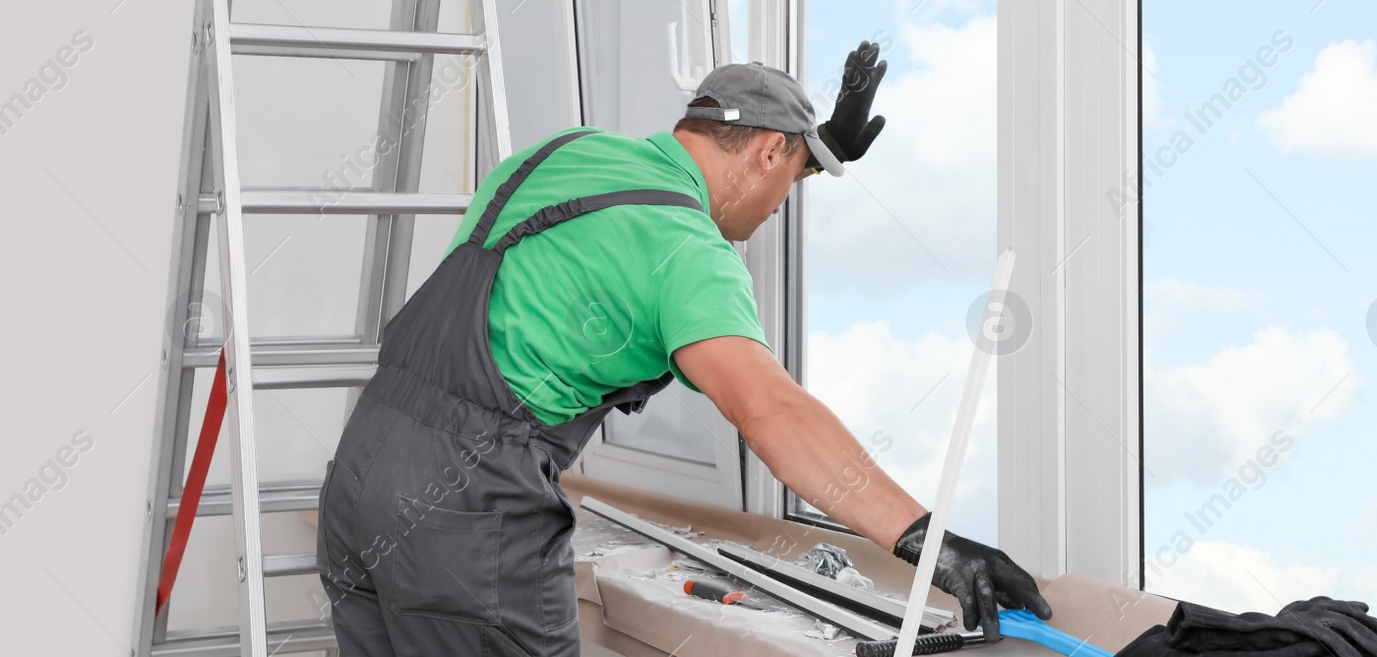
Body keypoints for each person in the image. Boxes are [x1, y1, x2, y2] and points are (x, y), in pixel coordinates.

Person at [316, 42, 1051, 655]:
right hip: (466, 515)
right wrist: (929, 541)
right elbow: (771, 412)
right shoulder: (689, 253)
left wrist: (817, 151)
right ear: (766, 151)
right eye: (789, 182)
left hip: (363, 470)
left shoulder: (564, 154)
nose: (776, 208)